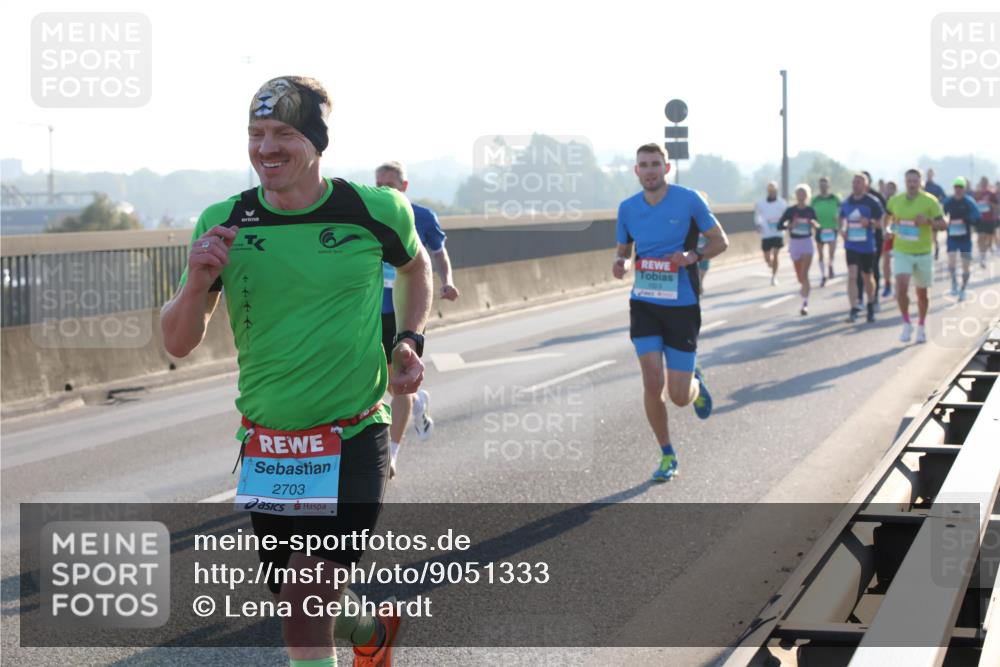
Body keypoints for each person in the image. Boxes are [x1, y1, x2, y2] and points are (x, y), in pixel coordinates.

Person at [160, 76, 433, 667]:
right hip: (270, 445)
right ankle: (371, 631)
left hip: (354, 434)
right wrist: (197, 281)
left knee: (305, 603)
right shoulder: (224, 220)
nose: (267, 148)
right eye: (257, 134)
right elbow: (178, 342)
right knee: (303, 598)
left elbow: (416, 269)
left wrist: (408, 339)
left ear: (316, 141)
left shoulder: (374, 209)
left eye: (284, 133)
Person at [613, 143, 728, 482]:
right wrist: (621, 262)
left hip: (682, 305)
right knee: (651, 380)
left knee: (678, 397)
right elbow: (624, 249)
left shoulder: (689, 199)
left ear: (666, 168)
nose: (649, 170)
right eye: (643, 165)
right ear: (636, 171)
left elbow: (720, 241)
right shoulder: (627, 208)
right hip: (645, 302)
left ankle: (694, 382)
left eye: (654, 164)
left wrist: (692, 257)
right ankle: (667, 454)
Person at [375, 161, 459, 479]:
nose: (384, 191)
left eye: (391, 185)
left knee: (400, 381)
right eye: (379, 185)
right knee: (377, 380)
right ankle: (417, 398)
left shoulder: (421, 217)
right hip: (373, 307)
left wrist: (447, 280)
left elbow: (438, 253)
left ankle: (391, 455)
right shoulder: (368, 217)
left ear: (404, 187)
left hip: (406, 307)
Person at [886, 168, 945, 344]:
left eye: (915, 181)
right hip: (902, 250)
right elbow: (887, 217)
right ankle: (906, 323)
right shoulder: (896, 201)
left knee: (922, 293)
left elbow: (943, 224)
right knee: (901, 288)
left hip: (923, 252)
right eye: (909, 181)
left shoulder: (930, 201)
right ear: (905, 182)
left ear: (920, 183)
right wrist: (887, 230)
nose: (911, 184)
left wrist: (927, 222)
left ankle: (921, 325)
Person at [839, 173, 884, 323]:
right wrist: (842, 230)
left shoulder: (872, 202)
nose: (855, 184)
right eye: (854, 182)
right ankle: (853, 308)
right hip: (851, 244)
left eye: (859, 182)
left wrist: (869, 223)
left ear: (865, 185)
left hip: (867, 246)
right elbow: (841, 218)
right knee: (852, 276)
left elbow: (881, 223)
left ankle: (870, 304)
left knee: (867, 277)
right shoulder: (846, 202)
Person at [777, 184, 819, 315]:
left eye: (803, 193)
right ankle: (804, 288)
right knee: (800, 277)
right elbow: (779, 225)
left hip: (806, 242)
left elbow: (818, 225)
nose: (801, 196)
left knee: (805, 274)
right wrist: (790, 225)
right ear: (795, 195)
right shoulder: (790, 211)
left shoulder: (810, 210)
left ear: (807, 196)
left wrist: (814, 225)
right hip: (794, 243)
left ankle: (805, 304)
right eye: (799, 193)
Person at [942, 177, 980, 301]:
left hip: (965, 239)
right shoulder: (948, 201)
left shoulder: (969, 201)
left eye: (960, 187)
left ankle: (963, 289)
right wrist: (944, 221)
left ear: (964, 189)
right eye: (956, 187)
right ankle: (954, 283)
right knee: (951, 262)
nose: (958, 190)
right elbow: (940, 214)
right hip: (952, 237)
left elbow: (977, 216)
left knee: (965, 266)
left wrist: (967, 219)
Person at [754, 182, 786, 285]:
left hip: (778, 232)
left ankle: (774, 277)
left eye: (774, 191)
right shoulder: (761, 203)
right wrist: (758, 225)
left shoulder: (782, 203)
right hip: (766, 233)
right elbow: (757, 215)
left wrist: (784, 224)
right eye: (770, 191)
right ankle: (771, 265)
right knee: (767, 258)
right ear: (768, 191)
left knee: (776, 255)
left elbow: (787, 216)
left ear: (777, 191)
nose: (772, 192)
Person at [811, 176, 840, 287]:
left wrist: (839, 222)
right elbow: (811, 214)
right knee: (820, 254)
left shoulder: (835, 198)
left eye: (825, 184)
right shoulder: (815, 200)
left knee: (831, 252)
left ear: (829, 185)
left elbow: (841, 211)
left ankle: (830, 265)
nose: (823, 187)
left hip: (832, 228)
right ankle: (823, 275)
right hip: (820, 229)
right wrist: (814, 225)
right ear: (819, 186)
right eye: (821, 184)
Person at [973, 176, 999, 267]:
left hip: (990, 219)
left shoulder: (991, 194)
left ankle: (987, 250)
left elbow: (996, 206)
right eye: (982, 182)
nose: (983, 184)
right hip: (980, 219)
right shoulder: (976, 194)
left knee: (988, 237)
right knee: (980, 237)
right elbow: (973, 206)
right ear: (980, 183)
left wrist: (989, 203)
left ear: (987, 183)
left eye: (985, 182)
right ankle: (982, 257)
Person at [925, 168, 946, 261]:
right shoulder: (923, 186)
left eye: (931, 174)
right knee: (926, 235)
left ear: (933, 175)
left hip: (934, 214)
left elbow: (944, 197)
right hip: (924, 214)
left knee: (934, 236)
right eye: (928, 173)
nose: (929, 175)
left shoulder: (937, 187)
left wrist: (938, 203)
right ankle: (927, 252)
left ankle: (936, 250)